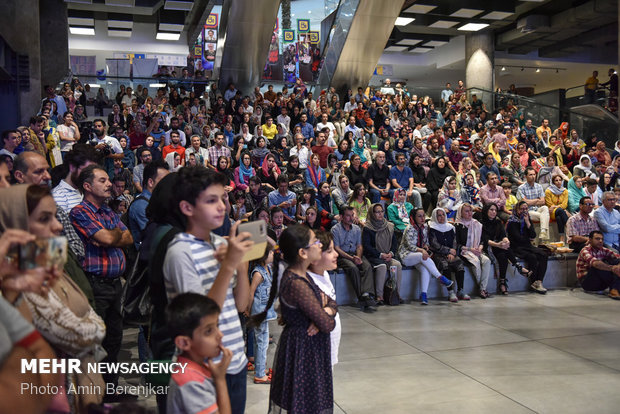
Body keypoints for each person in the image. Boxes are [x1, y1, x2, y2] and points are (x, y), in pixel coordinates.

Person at [0, 184, 106, 410]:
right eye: (44, 219)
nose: (58, 227)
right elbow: (75, 334)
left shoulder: (45, 260)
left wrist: (90, 323)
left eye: (55, 217)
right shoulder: (17, 276)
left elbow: (86, 306)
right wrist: (96, 327)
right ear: (14, 224)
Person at [162, 166, 254, 414]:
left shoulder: (220, 243)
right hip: (202, 366)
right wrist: (230, 265)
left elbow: (241, 305)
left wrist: (242, 267)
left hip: (232, 359)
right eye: (211, 201)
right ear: (188, 208)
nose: (222, 206)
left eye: (223, 198)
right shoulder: (180, 252)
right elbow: (199, 318)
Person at [70, 165, 133, 389]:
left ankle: (110, 388)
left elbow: (128, 237)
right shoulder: (79, 212)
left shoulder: (107, 210)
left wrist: (110, 236)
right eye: (103, 180)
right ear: (87, 186)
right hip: (95, 285)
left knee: (114, 339)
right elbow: (107, 238)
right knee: (95, 341)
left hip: (115, 285)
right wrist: (110, 236)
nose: (109, 184)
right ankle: (93, 392)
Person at [166, 293, 233, 414]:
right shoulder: (191, 383)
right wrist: (220, 380)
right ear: (184, 342)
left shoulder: (192, 368)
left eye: (217, 326)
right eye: (209, 331)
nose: (220, 335)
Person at [398, 208, 453, 305]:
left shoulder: (425, 227)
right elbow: (410, 246)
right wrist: (422, 250)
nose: (422, 218)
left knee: (425, 269)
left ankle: (423, 295)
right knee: (422, 256)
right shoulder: (409, 228)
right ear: (414, 217)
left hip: (419, 256)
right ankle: (440, 277)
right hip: (406, 255)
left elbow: (426, 242)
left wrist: (426, 246)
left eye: (423, 215)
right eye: (419, 216)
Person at [331, 206, 377, 310]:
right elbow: (337, 248)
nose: (351, 218)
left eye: (352, 215)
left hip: (355, 254)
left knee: (367, 266)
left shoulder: (356, 229)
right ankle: (361, 297)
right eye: (348, 216)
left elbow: (359, 246)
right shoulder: (335, 229)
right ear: (342, 217)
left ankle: (367, 293)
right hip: (342, 256)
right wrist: (352, 259)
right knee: (353, 268)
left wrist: (358, 257)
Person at [480, 203, 531, 295]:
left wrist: (506, 241)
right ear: (486, 210)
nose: (494, 212)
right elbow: (485, 240)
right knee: (503, 250)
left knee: (503, 256)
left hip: (499, 246)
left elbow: (503, 235)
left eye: (495, 210)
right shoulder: (481, 223)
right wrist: (498, 245)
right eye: (491, 210)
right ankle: (518, 267)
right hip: (487, 247)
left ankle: (502, 283)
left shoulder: (498, 221)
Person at [308, 230, 341, 366]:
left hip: (330, 348)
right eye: (329, 251)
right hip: (318, 353)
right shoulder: (309, 282)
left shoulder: (324, 274)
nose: (336, 254)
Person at [362, 203, 402, 305]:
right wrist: (380, 255)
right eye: (377, 212)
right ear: (372, 213)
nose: (380, 214)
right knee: (382, 266)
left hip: (388, 256)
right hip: (374, 257)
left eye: (382, 211)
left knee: (397, 265)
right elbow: (367, 247)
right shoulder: (368, 228)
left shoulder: (389, 226)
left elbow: (394, 243)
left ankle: (395, 294)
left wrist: (391, 254)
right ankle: (379, 296)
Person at [248, 245, 276, 384]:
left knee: (261, 340)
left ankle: (260, 369)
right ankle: (259, 374)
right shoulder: (258, 273)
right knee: (262, 342)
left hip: (265, 312)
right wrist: (248, 309)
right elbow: (251, 292)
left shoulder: (268, 269)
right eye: (270, 252)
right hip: (259, 312)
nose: (273, 254)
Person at [506, 201, 548, 294]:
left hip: (527, 245)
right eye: (521, 209)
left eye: (526, 209)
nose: (524, 211)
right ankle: (533, 282)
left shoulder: (527, 219)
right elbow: (518, 238)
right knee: (532, 257)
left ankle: (539, 281)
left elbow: (533, 235)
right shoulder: (512, 220)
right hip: (516, 247)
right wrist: (529, 237)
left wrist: (528, 223)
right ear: (517, 209)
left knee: (543, 255)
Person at [128, 160, 169, 248]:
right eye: (164, 180)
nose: (168, 184)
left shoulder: (158, 201)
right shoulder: (141, 205)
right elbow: (156, 237)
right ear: (150, 182)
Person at [428, 208, 466, 302]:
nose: (441, 217)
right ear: (435, 217)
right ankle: (451, 292)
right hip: (438, 254)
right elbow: (434, 244)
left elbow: (454, 242)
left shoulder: (450, 227)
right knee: (445, 265)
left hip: (451, 254)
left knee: (459, 264)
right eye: (439, 215)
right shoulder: (431, 227)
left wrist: (452, 252)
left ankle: (460, 290)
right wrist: (448, 251)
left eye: (443, 215)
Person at [455, 204, 492, 299]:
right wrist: (470, 249)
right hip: (466, 251)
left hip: (477, 250)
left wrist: (480, 247)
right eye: (466, 211)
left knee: (487, 261)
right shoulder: (458, 225)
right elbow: (457, 244)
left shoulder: (477, 224)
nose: (469, 213)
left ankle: (482, 289)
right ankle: (482, 289)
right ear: (461, 213)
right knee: (476, 262)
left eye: (470, 211)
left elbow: (483, 240)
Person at [576, 231, 620, 299]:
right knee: (599, 264)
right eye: (597, 239)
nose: (600, 241)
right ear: (590, 240)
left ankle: (615, 288)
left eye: (602, 239)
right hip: (588, 282)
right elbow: (595, 264)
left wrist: (618, 266)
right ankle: (615, 288)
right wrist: (612, 268)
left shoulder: (604, 250)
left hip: (602, 282)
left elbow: (618, 257)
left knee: (616, 261)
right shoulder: (585, 250)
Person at [517, 167, 551, 242]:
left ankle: (543, 231)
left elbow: (542, 201)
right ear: (525, 176)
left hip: (538, 209)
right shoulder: (521, 188)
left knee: (545, 208)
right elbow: (524, 203)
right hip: (527, 211)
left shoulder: (539, 186)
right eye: (530, 175)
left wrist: (530, 201)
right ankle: (545, 241)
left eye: (534, 174)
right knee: (545, 217)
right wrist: (536, 200)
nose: (533, 176)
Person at [545, 174, 571, 244]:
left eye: (560, 180)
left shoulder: (565, 191)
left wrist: (556, 207)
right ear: (553, 182)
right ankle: (569, 229)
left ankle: (561, 238)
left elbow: (565, 204)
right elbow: (549, 204)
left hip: (560, 212)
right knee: (560, 211)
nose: (559, 182)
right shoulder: (548, 191)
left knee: (559, 217)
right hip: (552, 212)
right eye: (556, 180)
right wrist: (559, 207)